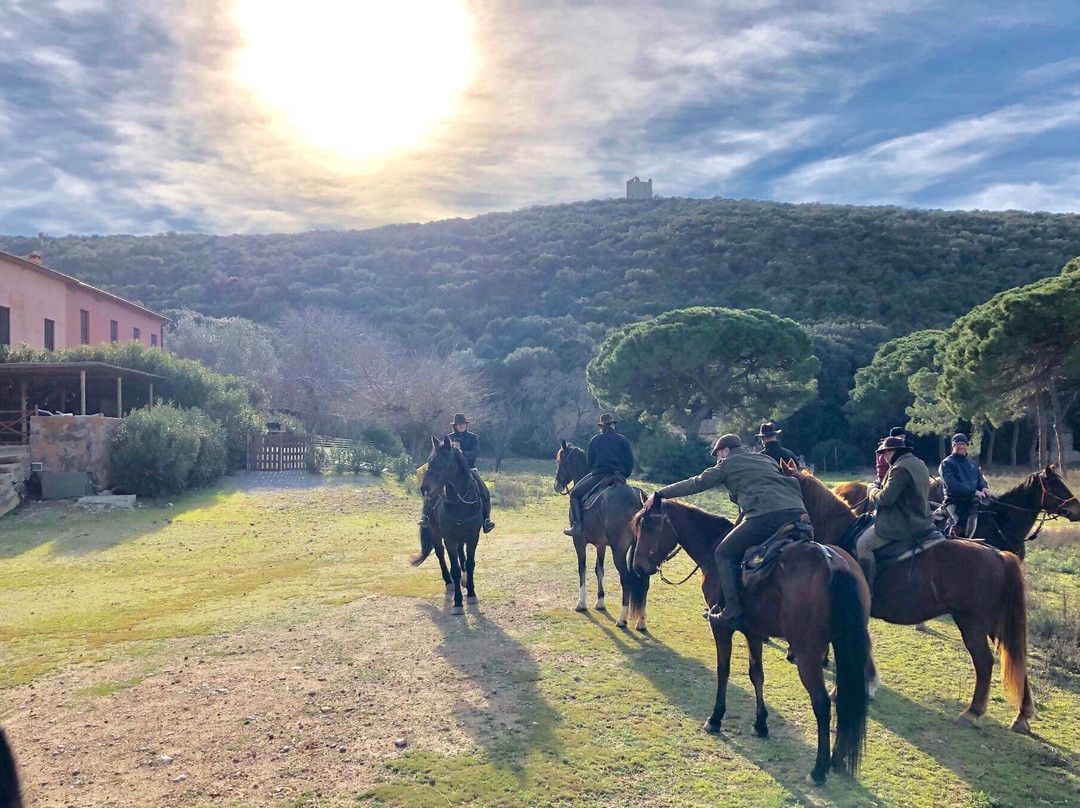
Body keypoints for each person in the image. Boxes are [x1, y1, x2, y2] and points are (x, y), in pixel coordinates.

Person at [654, 433, 808, 630]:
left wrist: (660, 493)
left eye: (718, 454)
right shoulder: (764, 459)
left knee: (723, 552)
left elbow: (697, 483)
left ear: (725, 451)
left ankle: (732, 609)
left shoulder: (727, 464)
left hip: (767, 515)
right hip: (798, 513)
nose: (718, 459)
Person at [857, 435, 936, 591]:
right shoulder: (919, 463)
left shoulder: (899, 468)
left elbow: (885, 499)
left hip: (903, 523)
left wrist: (872, 490)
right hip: (923, 519)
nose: (884, 457)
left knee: (863, 544)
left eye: (885, 453)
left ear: (892, 451)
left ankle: (867, 590)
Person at [419, 413, 496, 533]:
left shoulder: (472, 437)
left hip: (469, 469)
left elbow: (475, 452)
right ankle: (426, 516)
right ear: (455, 426)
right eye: (459, 424)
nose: (461, 426)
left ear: (466, 425)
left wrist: (460, 454)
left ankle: (486, 520)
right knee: (434, 491)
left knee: (484, 490)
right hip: (450, 470)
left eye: (463, 424)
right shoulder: (448, 438)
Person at [564, 413, 635, 538]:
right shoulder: (623, 440)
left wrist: (596, 471)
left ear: (602, 426)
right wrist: (624, 476)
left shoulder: (595, 440)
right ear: (613, 424)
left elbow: (590, 462)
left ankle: (577, 526)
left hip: (599, 476)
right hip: (620, 476)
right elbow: (630, 462)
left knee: (575, 494)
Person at [939, 433, 989, 538]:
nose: (962, 446)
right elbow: (952, 484)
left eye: (964, 444)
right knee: (957, 523)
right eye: (959, 444)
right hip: (954, 502)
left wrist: (984, 488)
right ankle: (952, 545)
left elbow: (979, 479)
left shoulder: (972, 463)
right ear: (953, 445)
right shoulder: (947, 463)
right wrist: (974, 492)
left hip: (972, 501)